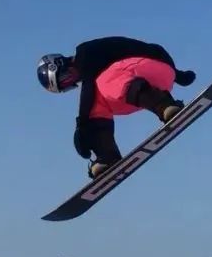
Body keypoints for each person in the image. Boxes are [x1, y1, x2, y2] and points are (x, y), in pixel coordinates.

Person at [37, 36, 197, 178]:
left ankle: (164, 106)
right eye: (66, 85)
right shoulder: (91, 75)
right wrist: (181, 76)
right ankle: (107, 156)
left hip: (150, 67)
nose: (71, 81)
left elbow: (88, 89)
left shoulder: (85, 53)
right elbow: (89, 98)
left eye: (64, 77)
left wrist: (82, 126)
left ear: (61, 63)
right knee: (97, 102)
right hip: (152, 81)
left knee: (103, 84)